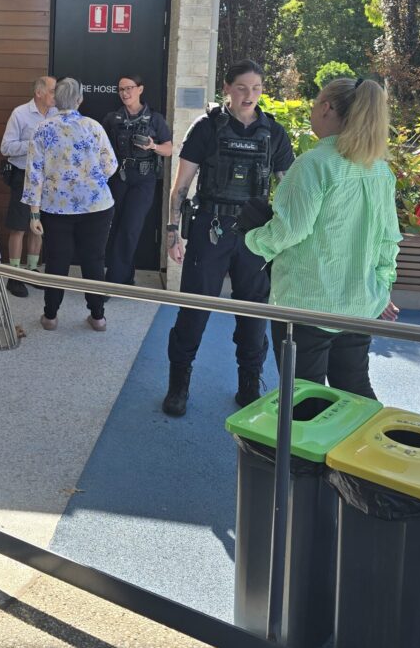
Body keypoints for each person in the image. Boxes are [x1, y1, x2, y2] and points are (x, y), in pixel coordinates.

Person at [244, 78, 401, 398]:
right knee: (355, 391)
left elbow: (289, 231)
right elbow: (389, 239)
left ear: (327, 108)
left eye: (315, 103)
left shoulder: (313, 165)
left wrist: (252, 237)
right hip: (359, 305)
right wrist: (381, 288)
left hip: (306, 304)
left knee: (303, 398)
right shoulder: (379, 170)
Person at [163, 60, 294, 416]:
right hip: (211, 228)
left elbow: (289, 191)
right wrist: (172, 232)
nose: (249, 95)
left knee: (253, 314)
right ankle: (178, 385)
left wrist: (288, 240)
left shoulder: (275, 133)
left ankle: (249, 384)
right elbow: (181, 186)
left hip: (256, 236)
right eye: (242, 88)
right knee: (194, 310)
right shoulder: (206, 128)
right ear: (227, 88)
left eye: (256, 88)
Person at [23, 76, 118, 332]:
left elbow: (34, 173)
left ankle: (50, 317)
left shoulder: (42, 129)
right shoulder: (93, 127)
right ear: (79, 100)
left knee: (57, 261)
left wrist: (34, 213)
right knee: (94, 260)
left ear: (55, 99)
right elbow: (110, 165)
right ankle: (98, 317)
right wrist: (89, 180)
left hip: (55, 207)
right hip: (96, 206)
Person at [103, 73, 173, 286]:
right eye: (121, 89)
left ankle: (114, 280)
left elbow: (169, 149)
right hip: (118, 177)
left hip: (143, 179)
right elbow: (101, 148)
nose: (125, 93)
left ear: (140, 89)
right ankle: (124, 276)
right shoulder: (112, 118)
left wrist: (152, 146)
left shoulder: (155, 118)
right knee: (114, 227)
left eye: (129, 88)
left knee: (130, 228)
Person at [0, 76, 57, 297]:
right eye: (52, 91)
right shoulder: (20, 113)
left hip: (48, 177)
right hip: (23, 175)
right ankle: (14, 275)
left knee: (39, 225)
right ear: (39, 93)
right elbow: (6, 147)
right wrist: (34, 144)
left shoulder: (57, 114)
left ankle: (32, 270)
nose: (56, 95)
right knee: (19, 226)